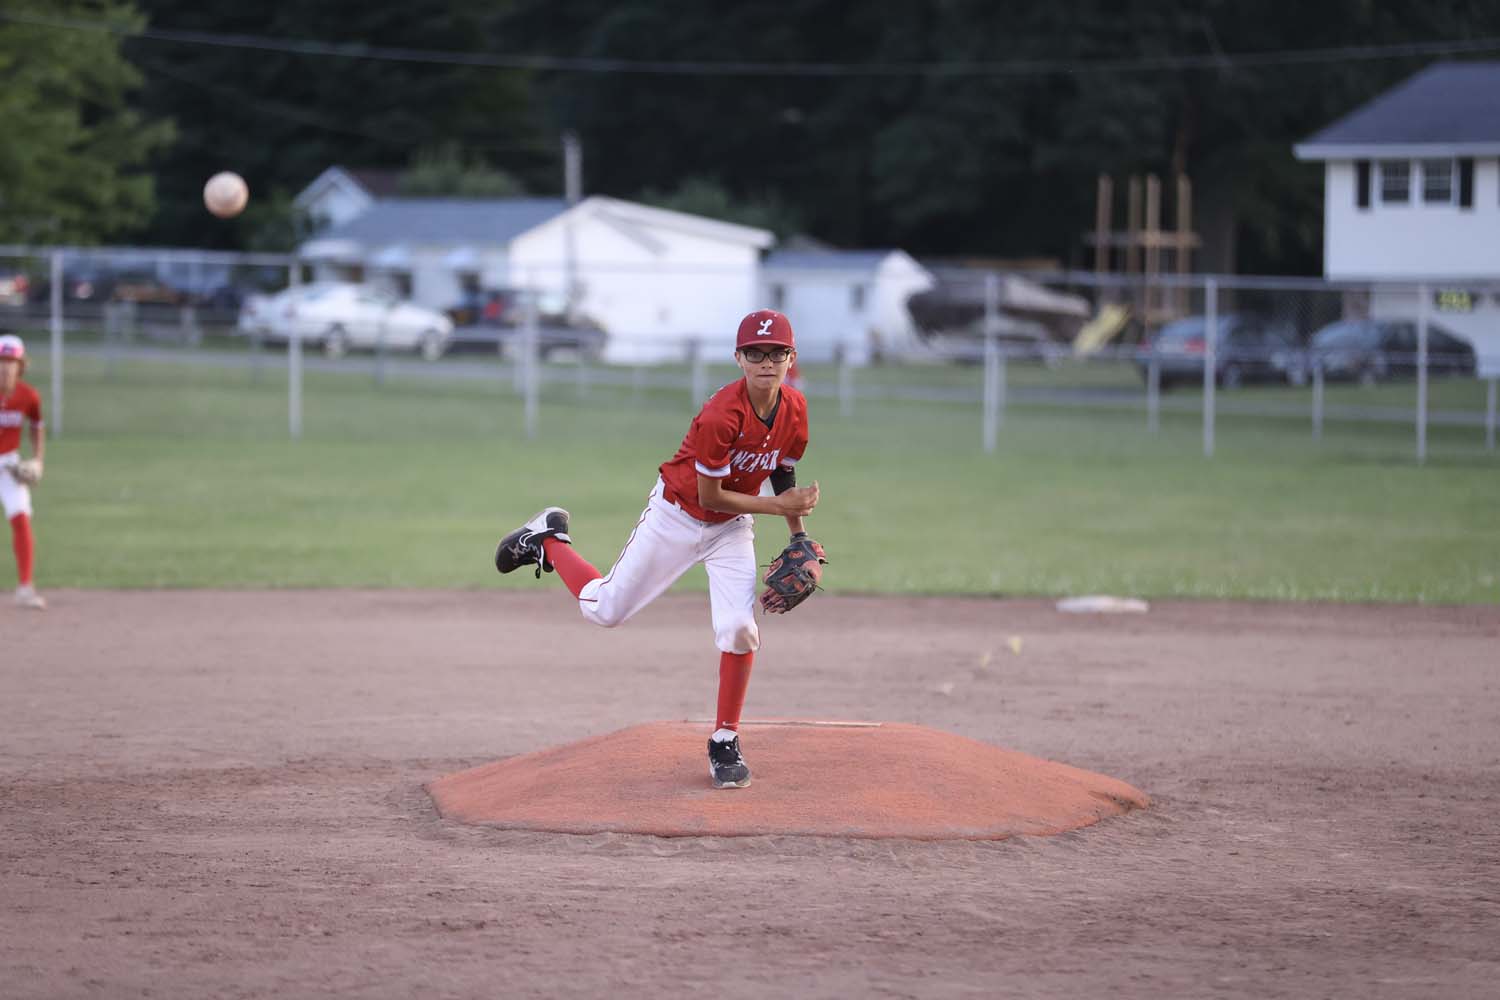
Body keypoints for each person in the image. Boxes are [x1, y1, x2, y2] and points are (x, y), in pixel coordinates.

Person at [494, 309, 821, 788]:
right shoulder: (720, 415)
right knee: (604, 610)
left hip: (730, 528)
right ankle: (548, 538)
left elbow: (782, 476)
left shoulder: (795, 409)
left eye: (776, 353)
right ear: (738, 358)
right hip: (677, 516)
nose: (765, 362)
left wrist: (797, 537)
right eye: (755, 352)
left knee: (739, 628)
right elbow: (709, 496)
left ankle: (724, 740)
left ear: (791, 358)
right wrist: (778, 511)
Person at [0, 334, 46, 610]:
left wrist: (38, 460)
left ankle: (25, 588)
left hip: (9, 465)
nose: (6, 367)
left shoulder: (28, 396)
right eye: (2, 361)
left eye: (12, 361)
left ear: (21, 366)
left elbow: (37, 425)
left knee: (21, 518)